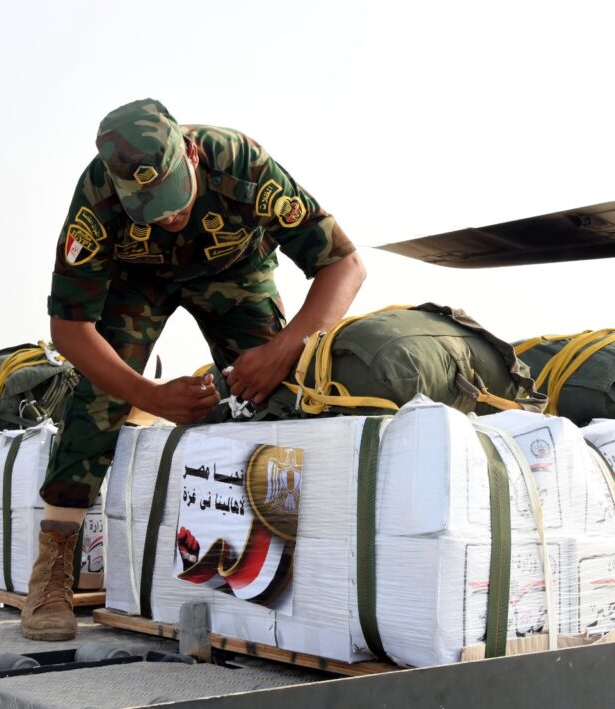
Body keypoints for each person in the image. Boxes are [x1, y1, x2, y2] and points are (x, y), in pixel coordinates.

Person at [20, 99, 365, 640]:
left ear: (192, 154)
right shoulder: (97, 196)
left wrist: (282, 350)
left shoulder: (242, 163)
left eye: (171, 198)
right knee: (100, 395)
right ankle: (51, 572)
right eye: (149, 209)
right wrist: (149, 395)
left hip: (235, 268)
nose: (166, 217)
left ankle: (292, 567)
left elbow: (344, 264)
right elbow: (69, 329)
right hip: (136, 282)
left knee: (277, 393)